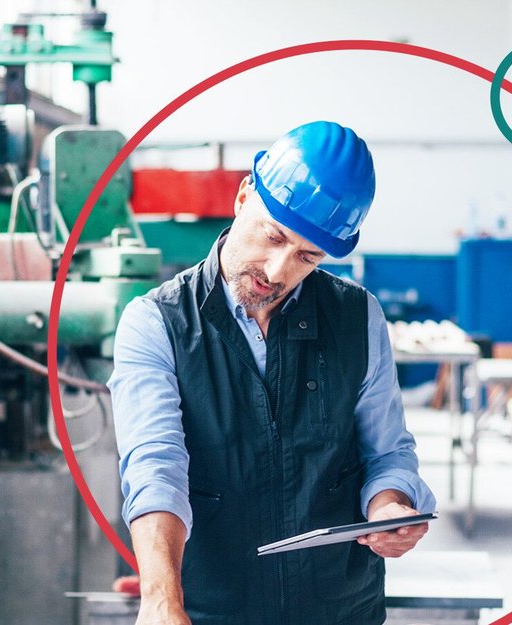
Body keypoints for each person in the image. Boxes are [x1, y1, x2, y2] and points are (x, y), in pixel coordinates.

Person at [111, 121, 436, 625]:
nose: (280, 270)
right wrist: (160, 601)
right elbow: (155, 468)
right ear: (244, 196)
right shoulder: (157, 323)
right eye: (274, 236)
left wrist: (391, 505)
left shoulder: (358, 318)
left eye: (308, 255)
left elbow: (388, 451)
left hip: (339, 609)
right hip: (208, 611)